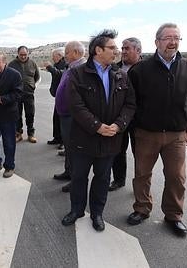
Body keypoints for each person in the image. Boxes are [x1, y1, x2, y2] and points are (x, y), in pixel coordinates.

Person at [127, 23, 187, 237]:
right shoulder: (140, 70)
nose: (172, 42)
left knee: (176, 177)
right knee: (142, 174)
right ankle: (141, 209)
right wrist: (133, 128)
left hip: (176, 135)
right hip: (146, 133)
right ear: (157, 42)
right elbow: (130, 102)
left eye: (177, 38)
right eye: (168, 38)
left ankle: (173, 216)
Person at [61, 29, 136, 232]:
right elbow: (76, 106)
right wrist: (97, 127)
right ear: (98, 50)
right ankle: (76, 210)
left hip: (110, 140)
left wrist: (118, 125)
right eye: (112, 48)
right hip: (83, 139)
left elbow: (130, 105)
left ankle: (97, 213)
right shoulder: (77, 74)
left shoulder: (121, 75)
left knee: (102, 179)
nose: (117, 51)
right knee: (78, 178)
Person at [52, 41, 87, 194]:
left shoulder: (82, 68)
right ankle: (68, 172)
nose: (64, 56)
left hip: (73, 117)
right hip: (65, 115)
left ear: (76, 52)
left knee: (75, 150)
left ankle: (76, 180)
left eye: (67, 52)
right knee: (68, 147)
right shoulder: (71, 67)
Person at [109, 37, 143, 192]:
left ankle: (140, 186)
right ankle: (118, 179)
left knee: (141, 155)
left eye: (127, 48)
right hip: (119, 119)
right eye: (122, 48)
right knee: (118, 151)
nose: (123, 52)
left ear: (138, 51)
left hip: (140, 121)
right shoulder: (114, 68)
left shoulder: (147, 69)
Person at [8, 45, 40, 143]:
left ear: (28, 53)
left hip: (29, 94)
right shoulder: (12, 64)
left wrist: (33, 86)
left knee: (30, 114)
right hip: (16, 95)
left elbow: (37, 77)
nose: (23, 56)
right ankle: (18, 134)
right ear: (17, 54)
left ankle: (31, 134)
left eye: (25, 54)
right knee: (17, 115)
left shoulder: (33, 63)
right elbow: (8, 79)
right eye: (21, 54)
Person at [43, 47, 67, 147]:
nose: (53, 59)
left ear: (60, 56)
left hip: (64, 96)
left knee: (62, 119)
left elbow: (60, 74)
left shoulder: (65, 64)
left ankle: (63, 141)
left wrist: (49, 67)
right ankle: (57, 138)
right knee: (56, 118)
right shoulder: (57, 64)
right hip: (58, 95)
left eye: (54, 57)